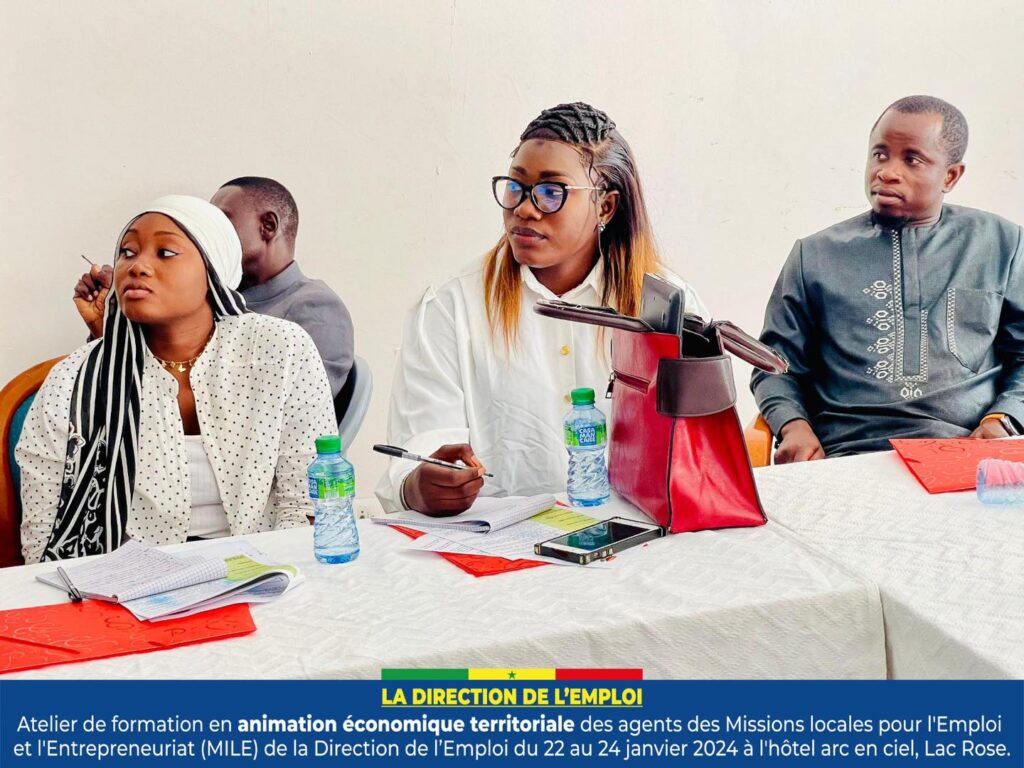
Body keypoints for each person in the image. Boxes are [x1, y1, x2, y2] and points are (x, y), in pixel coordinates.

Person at [376, 102, 707, 515]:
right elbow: (418, 449)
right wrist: (419, 487)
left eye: (552, 192)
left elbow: (701, 452)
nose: (524, 208)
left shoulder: (666, 308)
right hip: (500, 542)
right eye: (515, 187)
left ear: (605, 206)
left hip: (642, 531)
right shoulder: (449, 308)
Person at [19, 195, 335, 562]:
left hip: (264, 568)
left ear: (213, 269)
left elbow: (309, 501)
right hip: (126, 580)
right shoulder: (73, 381)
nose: (137, 266)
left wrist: (274, 577)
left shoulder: (280, 349)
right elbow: (43, 537)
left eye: (165, 253)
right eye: (127, 252)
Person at [752, 95, 1024, 464]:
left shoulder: (1002, 244)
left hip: (968, 455)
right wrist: (793, 426)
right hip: (847, 454)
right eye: (880, 154)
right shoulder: (814, 255)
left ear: (950, 175)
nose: (887, 172)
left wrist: (1002, 419)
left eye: (912, 159)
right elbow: (774, 365)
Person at [74, 177, 354, 399]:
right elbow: (130, 389)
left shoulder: (315, 307)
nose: (205, 233)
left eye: (221, 220)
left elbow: (298, 404)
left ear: (268, 226)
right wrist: (112, 324)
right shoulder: (202, 300)